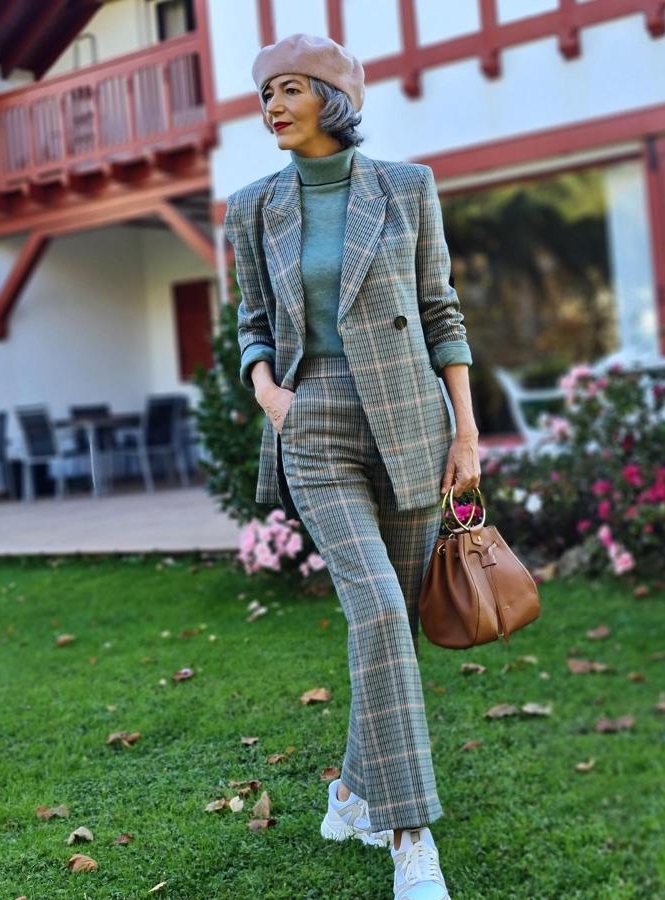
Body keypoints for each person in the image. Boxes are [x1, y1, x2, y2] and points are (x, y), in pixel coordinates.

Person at [224, 32, 480, 900]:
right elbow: (252, 318)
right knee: (374, 610)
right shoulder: (253, 207)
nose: (273, 108)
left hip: (411, 418)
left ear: (332, 97)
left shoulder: (405, 189)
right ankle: (410, 838)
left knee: (392, 628)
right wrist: (267, 390)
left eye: (289, 90)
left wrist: (467, 433)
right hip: (315, 420)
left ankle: (346, 792)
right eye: (265, 96)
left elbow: (441, 311)